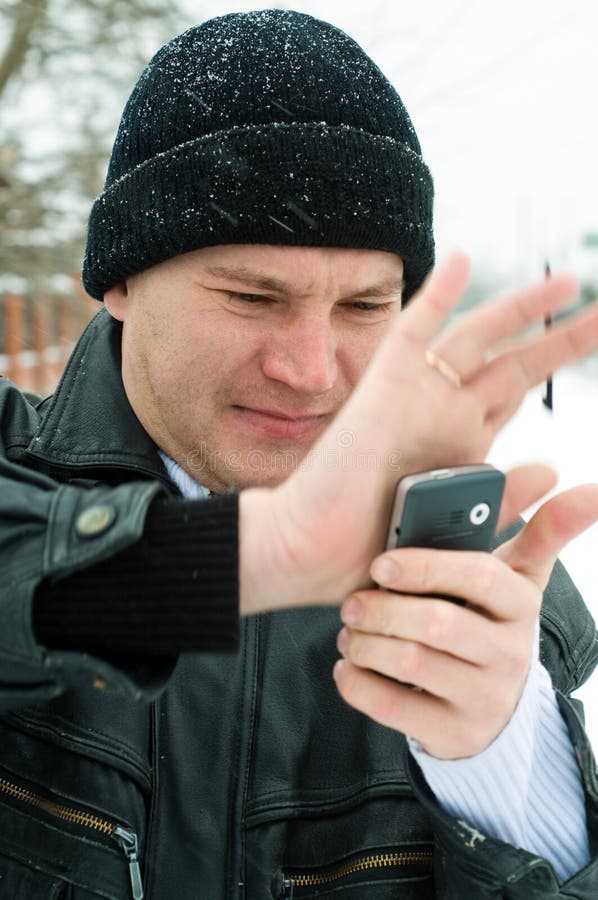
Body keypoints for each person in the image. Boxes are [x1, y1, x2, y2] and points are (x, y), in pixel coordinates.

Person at [1, 9, 597, 899]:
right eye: (251, 296)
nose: (311, 372)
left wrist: (505, 766)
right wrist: (247, 557)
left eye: (364, 308)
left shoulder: (477, 582)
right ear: (121, 279)